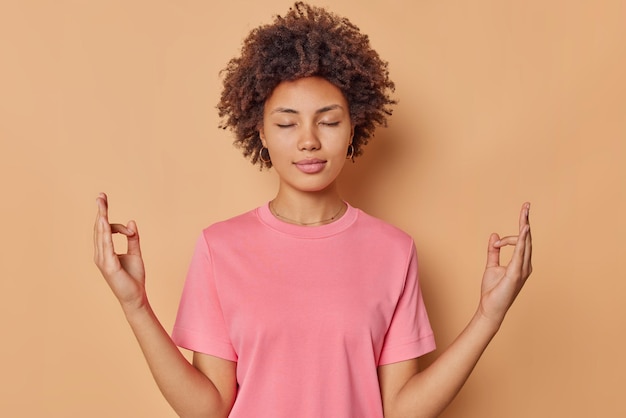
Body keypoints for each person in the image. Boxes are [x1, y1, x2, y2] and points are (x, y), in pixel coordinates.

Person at [93, 2, 533, 417]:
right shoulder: (219, 247)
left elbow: (401, 410)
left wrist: (489, 316)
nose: (308, 140)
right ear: (260, 132)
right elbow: (208, 409)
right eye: (286, 123)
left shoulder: (394, 251)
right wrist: (135, 305)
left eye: (328, 121)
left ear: (353, 128)